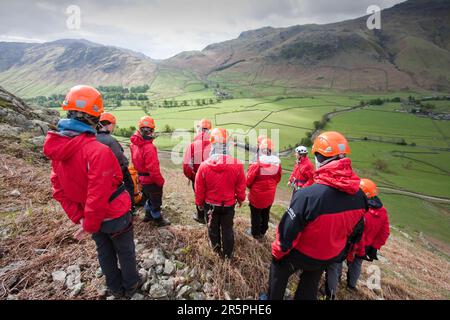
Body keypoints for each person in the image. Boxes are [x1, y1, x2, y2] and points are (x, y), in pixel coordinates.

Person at [43, 85, 140, 298]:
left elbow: (58, 190)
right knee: (125, 251)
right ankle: (131, 285)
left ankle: (114, 287)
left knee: (104, 252)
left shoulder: (59, 151)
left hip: (89, 218)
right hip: (114, 215)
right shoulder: (98, 151)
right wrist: (89, 223)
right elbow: (98, 195)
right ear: (95, 117)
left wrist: (81, 219)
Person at [267, 131, 367, 300]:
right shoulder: (360, 196)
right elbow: (355, 230)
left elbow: (287, 233)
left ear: (319, 157)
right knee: (310, 281)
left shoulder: (308, 196)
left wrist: (277, 253)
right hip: (329, 254)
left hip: (302, 253)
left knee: (279, 269)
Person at [325, 178, 390, 299]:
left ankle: (335, 284)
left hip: (351, 242)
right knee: (356, 264)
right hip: (364, 246)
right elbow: (385, 232)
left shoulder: (359, 207)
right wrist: (374, 247)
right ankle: (351, 286)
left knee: (338, 260)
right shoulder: (382, 211)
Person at [195, 128, 246, 259]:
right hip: (228, 205)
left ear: (212, 145)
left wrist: (199, 203)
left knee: (213, 229)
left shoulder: (204, 166)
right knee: (227, 230)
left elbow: (199, 188)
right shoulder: (237, 165)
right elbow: (241, 186)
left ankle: (216, 252)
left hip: (210, 205)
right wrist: (240, 199)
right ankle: (228, 255)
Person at [130, 116, 170, 227]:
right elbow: (153, 169)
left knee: (148, 197)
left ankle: (148, 216)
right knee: (156, 201)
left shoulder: (134, 145)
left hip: (141, 179)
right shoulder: (149, 147)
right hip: (151, 180)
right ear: (152, 130)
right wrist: (160, 181)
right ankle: (158, 220)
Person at [96, 112, 136, 213]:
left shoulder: (93, 137)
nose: (113, 128)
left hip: (101, 173)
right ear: (108, 125)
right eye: (113, 125)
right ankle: (130, 209)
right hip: (117, 172)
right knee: (129, 187)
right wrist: (125, 165)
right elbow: (119, 157)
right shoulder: (110, 140)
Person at [246, 138, 282, 239]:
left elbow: (249, 180)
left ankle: (255, 233)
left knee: (255, 214)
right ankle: (263, 230)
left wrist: (250, 187)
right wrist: (271, 186)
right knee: (266, 212)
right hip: (270, 194)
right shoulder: (277, 164)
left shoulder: (257, 164)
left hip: (257, 196)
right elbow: (278, 178)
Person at [182, 119, 212, 224]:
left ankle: (200, 217)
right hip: (212, 179)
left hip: (197, 177)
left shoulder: (193, 145)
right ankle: (210, 218)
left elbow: (186, 167)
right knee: (210, 197)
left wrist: (194, 177)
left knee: (199, 196)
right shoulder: (215, 145)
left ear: (198, 130)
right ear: (209, 130)